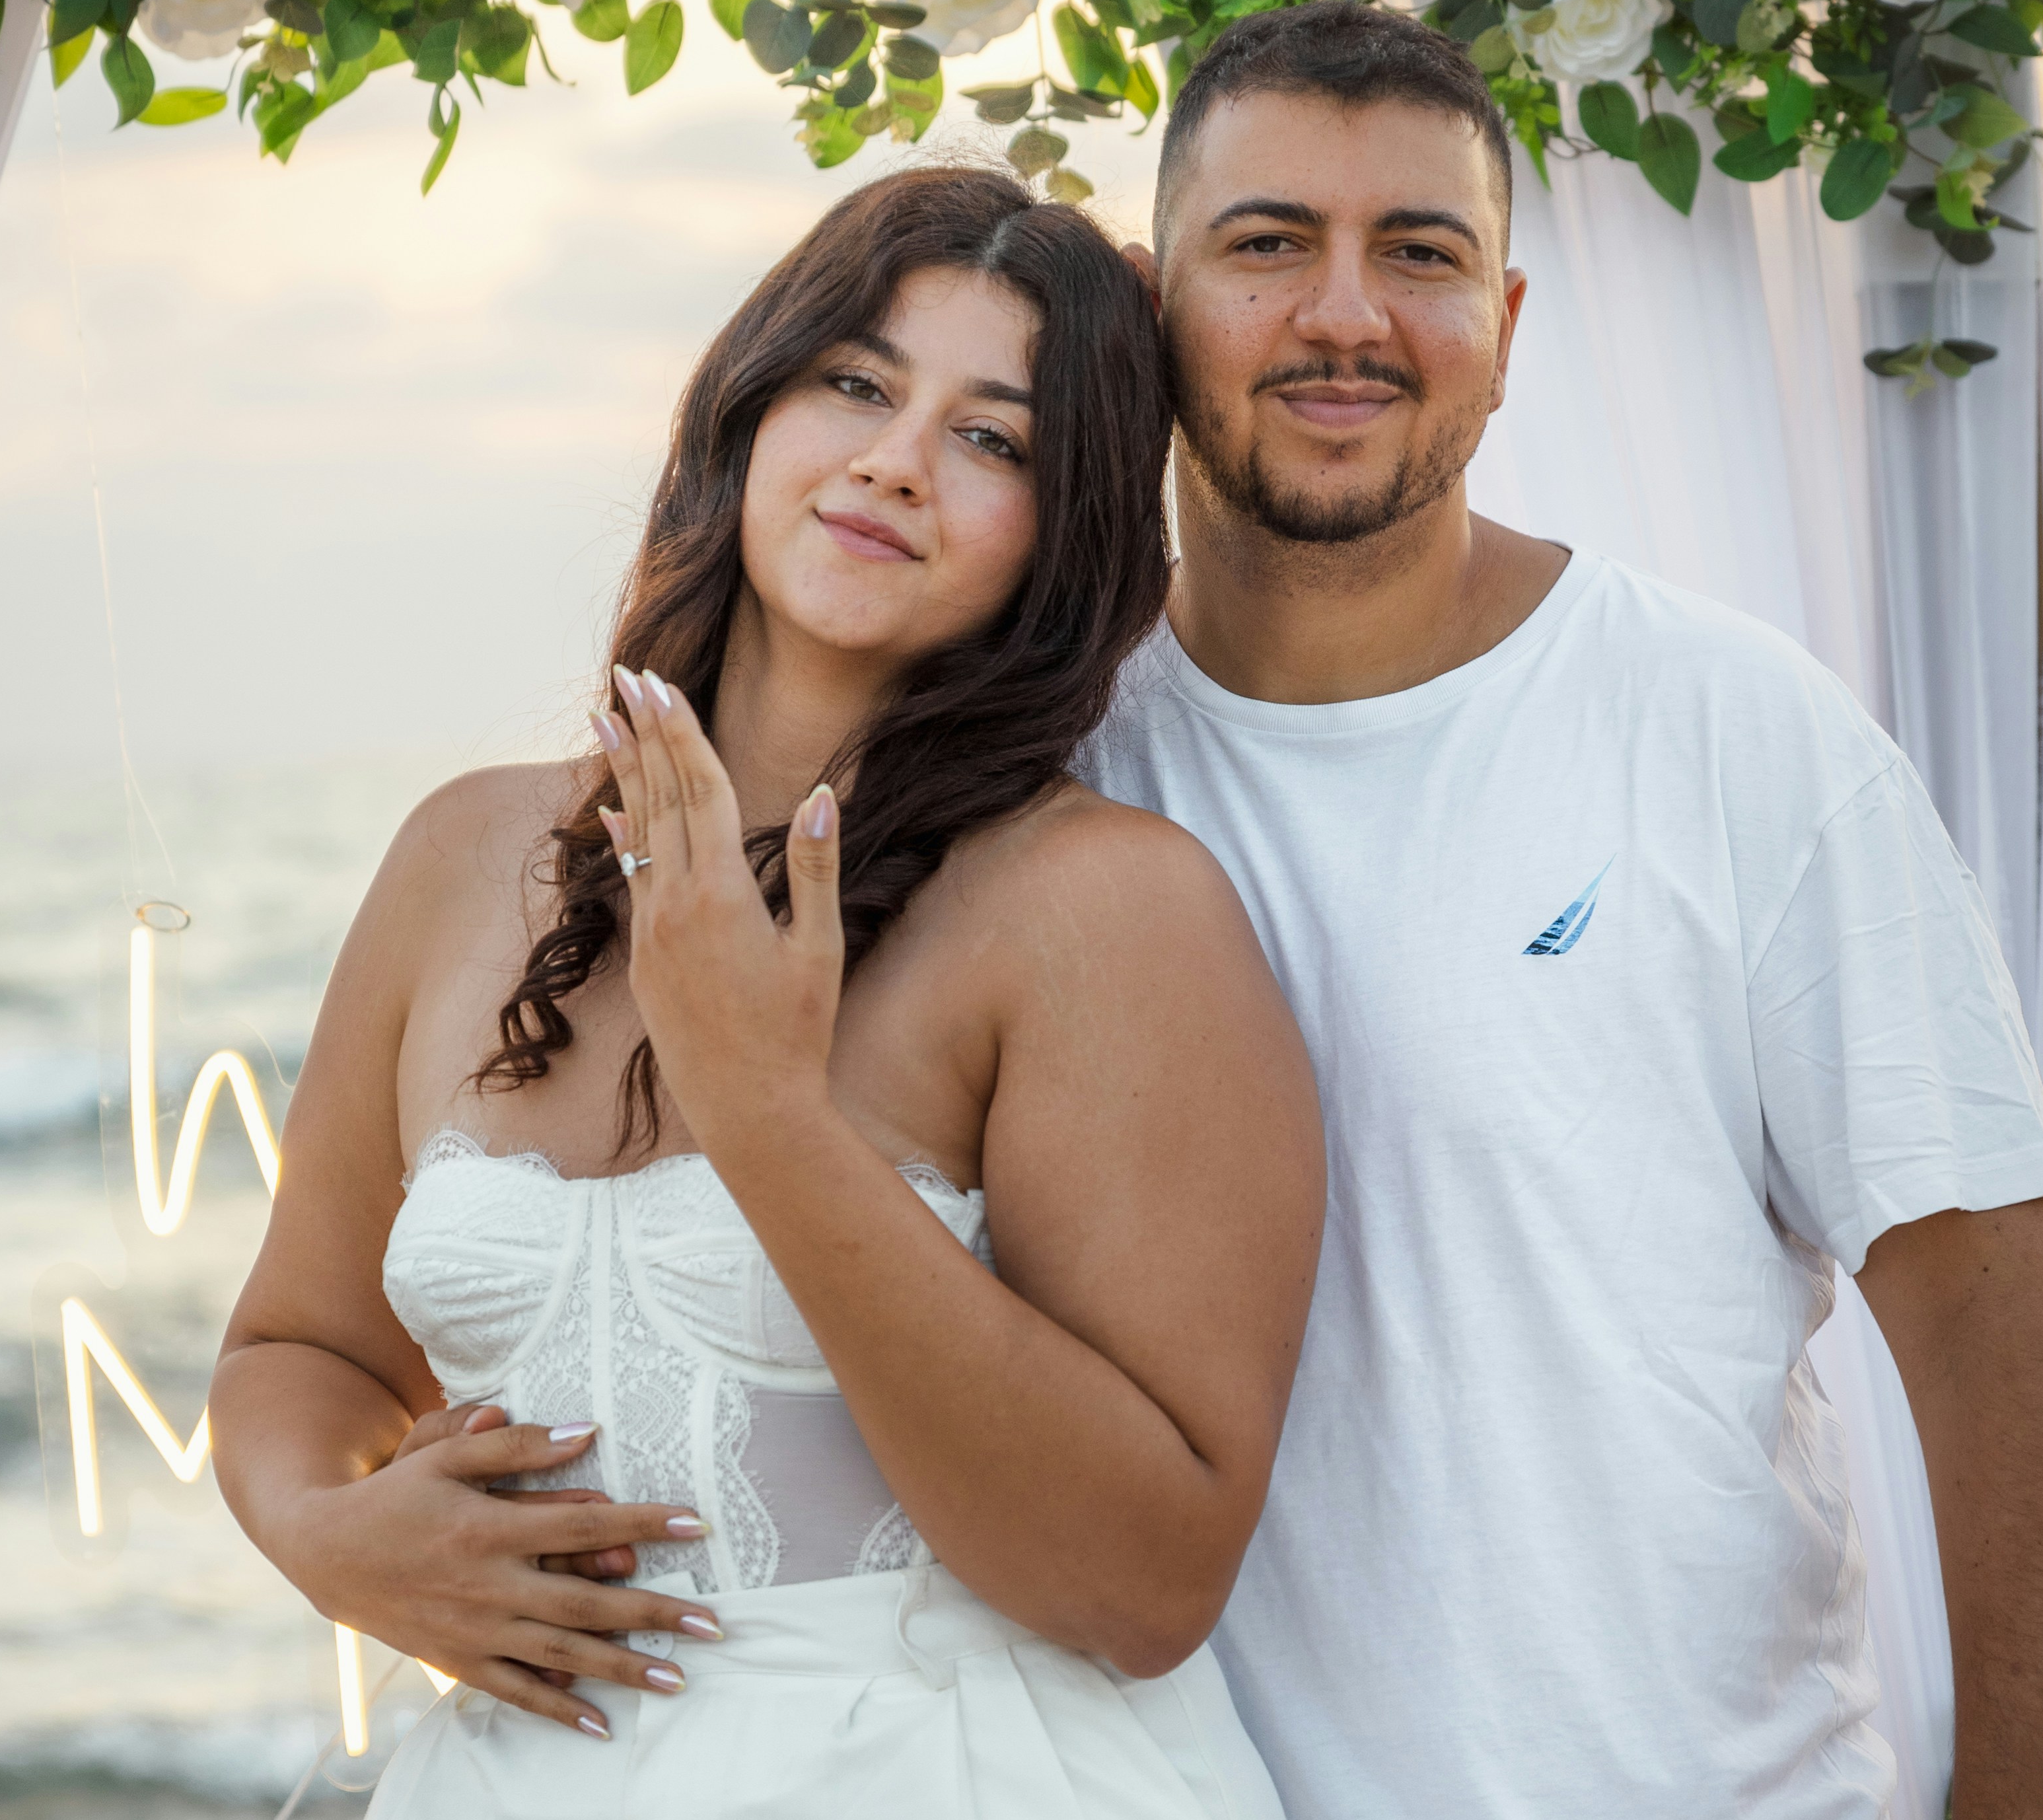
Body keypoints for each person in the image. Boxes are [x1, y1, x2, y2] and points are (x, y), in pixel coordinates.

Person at [1064, 1, 2043, 1819]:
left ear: (1507, 328)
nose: (1345, 315)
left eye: (1421, 253)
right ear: (1155, 306)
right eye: (1265, 248)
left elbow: (2003, 1340)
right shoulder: (1048, 765)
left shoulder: (1731, 728)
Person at [206, 167, 1324, 1818]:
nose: (893, 457)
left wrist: (767, 1117)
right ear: (748, 406)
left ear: (1063, 531)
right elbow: (301, 1344)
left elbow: (1142, 1587)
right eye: (857, 384)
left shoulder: (1100, 912)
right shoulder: (464, 855)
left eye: (991, 438)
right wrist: (325, 1536)